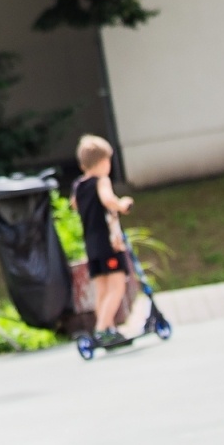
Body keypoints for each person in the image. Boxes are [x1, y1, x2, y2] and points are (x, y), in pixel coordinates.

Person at [72, 134, 134, 344]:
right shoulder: (102, 181)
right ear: (103, 161)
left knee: (102, 288)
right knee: (117, 286)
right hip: (109, 243)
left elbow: (75, 205)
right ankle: (102, 330)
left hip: (92, 244)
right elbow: (108, 200)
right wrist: (122, 204)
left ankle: (108, 326)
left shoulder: (79, 186)